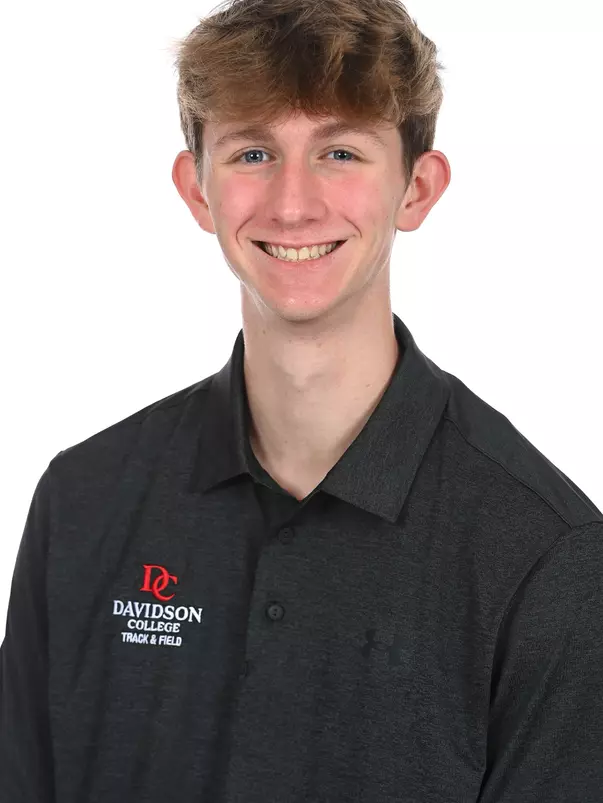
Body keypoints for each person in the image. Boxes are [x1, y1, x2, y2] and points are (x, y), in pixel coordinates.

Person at [2, 0, 602, 800]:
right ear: (197, 189)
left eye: (341, 152)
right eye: (253, 152)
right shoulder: (81, 501)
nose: (292, 204)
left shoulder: (543, 556)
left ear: (416, 189)